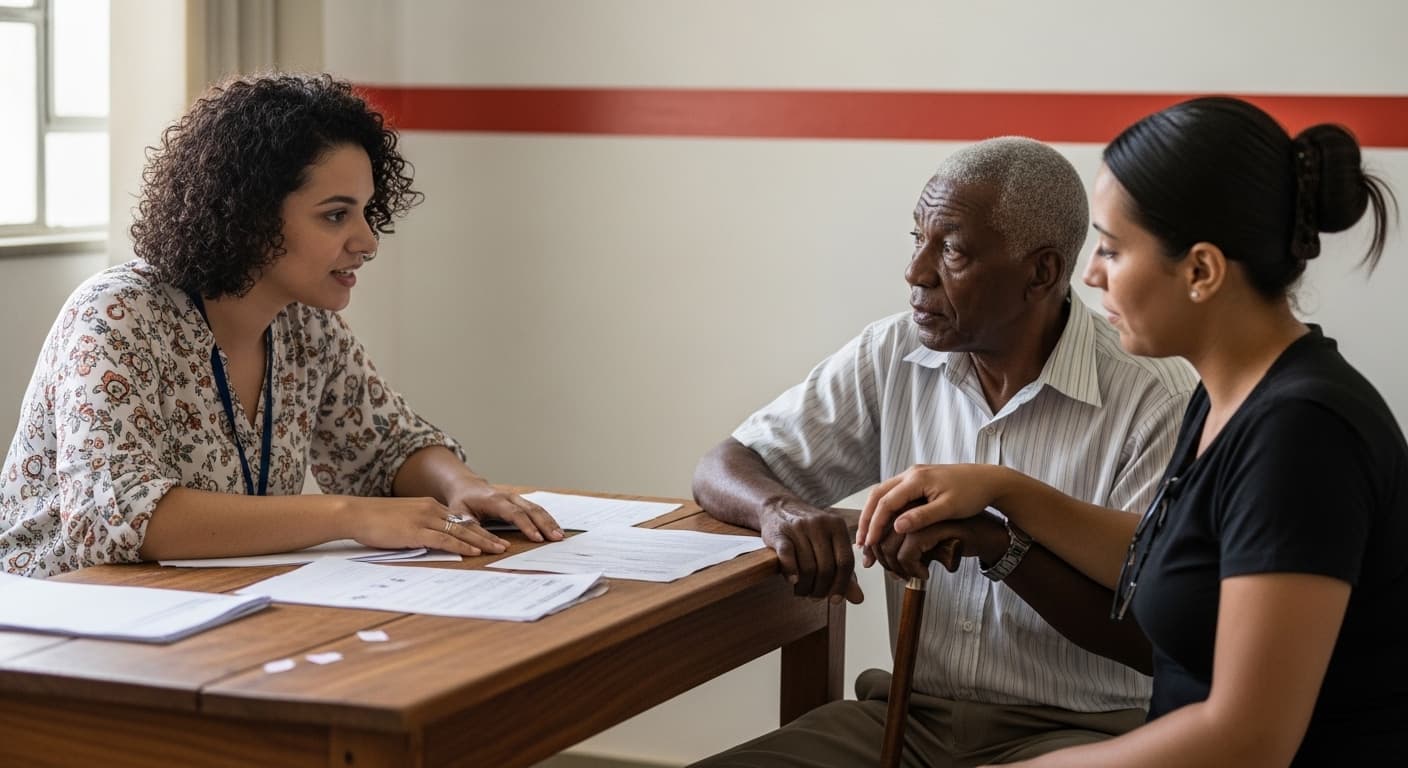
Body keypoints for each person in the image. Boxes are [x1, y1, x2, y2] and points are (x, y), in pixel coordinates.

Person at [858, 97, 1405, 767]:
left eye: (1112, 250)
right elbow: (1174, 554)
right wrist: (1000, 489)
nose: (1088, 274)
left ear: (1201, 271)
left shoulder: (1303, 433)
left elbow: (1249, 740)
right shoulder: (1227, 398)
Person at [691, 137, 1199, 767]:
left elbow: (1159, 641)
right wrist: (780, 511)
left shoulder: (1156, 396)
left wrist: (1002, 547)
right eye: (917, 239)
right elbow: (724, 464)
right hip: (906, 719)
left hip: (1088, 733)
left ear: (1040, 273)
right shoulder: (893, 353)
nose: (916, 272)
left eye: (952, 249)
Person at [0, 72, 563, 578]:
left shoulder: (305, 325)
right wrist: (349, 516)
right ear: (248, 215)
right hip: (55, 623)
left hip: (207, 604)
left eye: (366, 212)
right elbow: (119, 516)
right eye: (335, 215)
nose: (366, 242)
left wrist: (464, 488)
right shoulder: (117, 315)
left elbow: (389, 447)